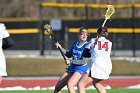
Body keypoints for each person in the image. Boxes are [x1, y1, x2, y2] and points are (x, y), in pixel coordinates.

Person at [54, 27, 90, 93]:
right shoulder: (75, 43)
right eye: (82, 33)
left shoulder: (87, 46)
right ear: (79, 34)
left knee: (70, 84)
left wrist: (70, 61)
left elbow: (83, 61)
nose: (85, 35)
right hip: (72, 68)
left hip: (81, 69)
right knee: (57, 88)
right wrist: (60, 47)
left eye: (86, 34)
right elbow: (69, 54)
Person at [78, 26, 112, 93]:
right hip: (107, 67)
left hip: (96, 66)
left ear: (97, 33)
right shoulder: (109, 43)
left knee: (81, 84)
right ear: (106, 34)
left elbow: (85, 53)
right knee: (96, 83)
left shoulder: (93, 40)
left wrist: (90, 44)